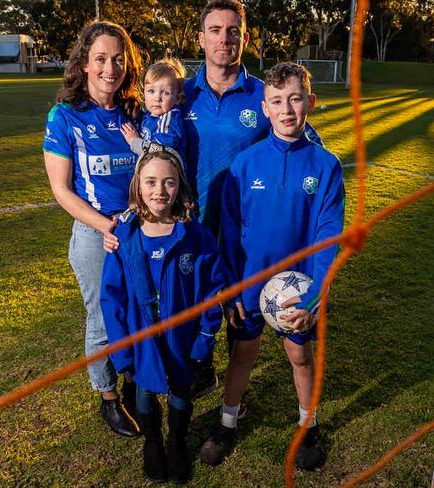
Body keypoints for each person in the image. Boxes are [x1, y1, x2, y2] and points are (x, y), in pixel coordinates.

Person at [198, 62, 345, 470]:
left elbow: (327, 235)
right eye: (277, 101)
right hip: (249, 283)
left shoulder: (326, 166)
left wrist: (315, 293)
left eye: (295, 100)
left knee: (299, 357)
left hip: (299, 290)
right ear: (264, 108)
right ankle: (228, 422)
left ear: (310, 103)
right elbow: (229, 233)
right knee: (242, 354)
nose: (286, 109)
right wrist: (231, 286)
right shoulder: (244, 165)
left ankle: (308, 424)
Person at [183, 0, 322, 399]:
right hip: (191, 227)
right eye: (214, 30)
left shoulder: (264, 95)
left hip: (240, 228)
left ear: (245, 38)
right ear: (201, 38)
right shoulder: (183, 95)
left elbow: (301, 144)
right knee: (193, 304)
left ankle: (232, 381)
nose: (223, 39)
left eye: (232, 31)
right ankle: (199, 367)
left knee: (237, 309)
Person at [100, 146, 227, 484]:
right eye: (151, 182)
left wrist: (204, 338)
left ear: (180, 186)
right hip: (141, 341)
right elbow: (111, 299)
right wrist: (121, 348)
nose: (159, 191)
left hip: (182, 338)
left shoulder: (194, 236)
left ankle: (176, 442)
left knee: (182, 390)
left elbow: (213, 291)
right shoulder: (123, 237)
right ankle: (154, 442)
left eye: (168, 183)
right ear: (137, 186)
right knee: (143, 390)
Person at [42, 21, 143, 438]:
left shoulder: (136, 111)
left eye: (118, 59)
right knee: (103, 317)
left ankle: (138, 379)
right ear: (84, 63)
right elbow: (60, 190)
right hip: (95, 235)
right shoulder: (64, 116)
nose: (110, 67)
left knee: (141, 309)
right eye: (100, 58)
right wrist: (106, 224)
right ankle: (108, 397)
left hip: (139, 230)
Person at [120, 57, 187, 165]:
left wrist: (134, 141)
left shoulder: (169, 118)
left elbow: (161, 153)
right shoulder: (149, 116)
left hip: (167, 177)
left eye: (165, 93)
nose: (157, 98)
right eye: (151, 91)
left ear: (178, 98)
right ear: (144, 93)